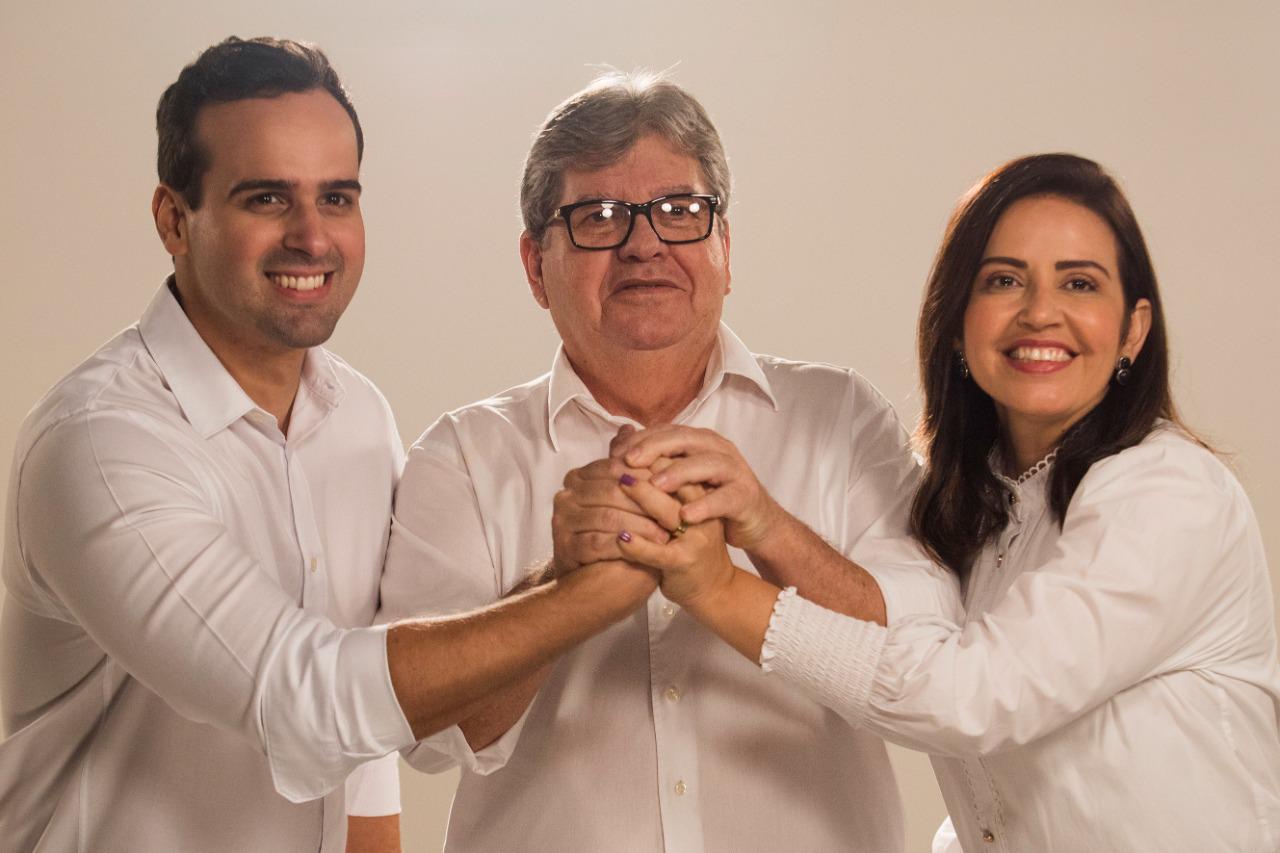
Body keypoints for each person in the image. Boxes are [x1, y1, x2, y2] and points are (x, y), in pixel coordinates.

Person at [0, 37, 662, 853]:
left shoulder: (357, 416)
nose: (313, 238)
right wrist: (586, 591)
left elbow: (365, 738)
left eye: (337, 198)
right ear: (174, 219)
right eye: (267, 199)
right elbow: (305, 700)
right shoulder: (100, 443)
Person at [600, 153, 1280, 852]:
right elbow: (998, 781)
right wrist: (760, 521)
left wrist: (716, 587)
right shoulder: (975, 503)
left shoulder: (1170, 493)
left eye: (1079, 283)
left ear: (1133, 329)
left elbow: (973, 700)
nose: (1040, 312)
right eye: (1004, 280)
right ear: (957, 323)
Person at [379, 69, 956, 852]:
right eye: (598, 216)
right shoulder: (463, 457)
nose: (644, 244)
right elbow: (421, 728)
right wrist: (560, 584)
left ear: (725, 246)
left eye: (680, 211)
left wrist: (769, 529)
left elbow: (930, 659)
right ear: (534, 264)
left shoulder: (841, 418)